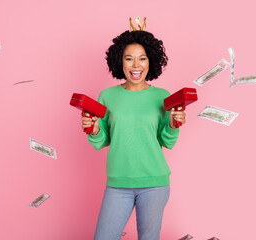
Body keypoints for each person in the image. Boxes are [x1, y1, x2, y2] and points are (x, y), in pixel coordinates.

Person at [81, 26, 186, 240]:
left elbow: (166, 140)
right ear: (120, 61)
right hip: (118, 184)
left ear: (152, 61)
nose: (136, 65)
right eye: (129, 58)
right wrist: (93, 130)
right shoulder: (107, 96)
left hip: (155, 183)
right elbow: (102, 140)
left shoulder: (162, 96)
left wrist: (174, 126)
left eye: (142, 58)